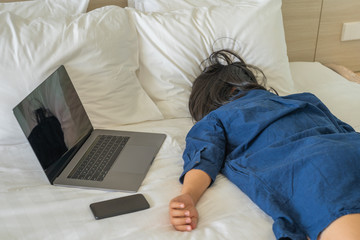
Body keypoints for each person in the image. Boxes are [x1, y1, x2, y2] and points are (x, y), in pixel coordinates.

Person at [169, 49, 360, 240]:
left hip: (315, 168)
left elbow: (204, 157)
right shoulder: (304, 99)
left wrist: (189, 196)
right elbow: (344, 130)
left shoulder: (216, 118)